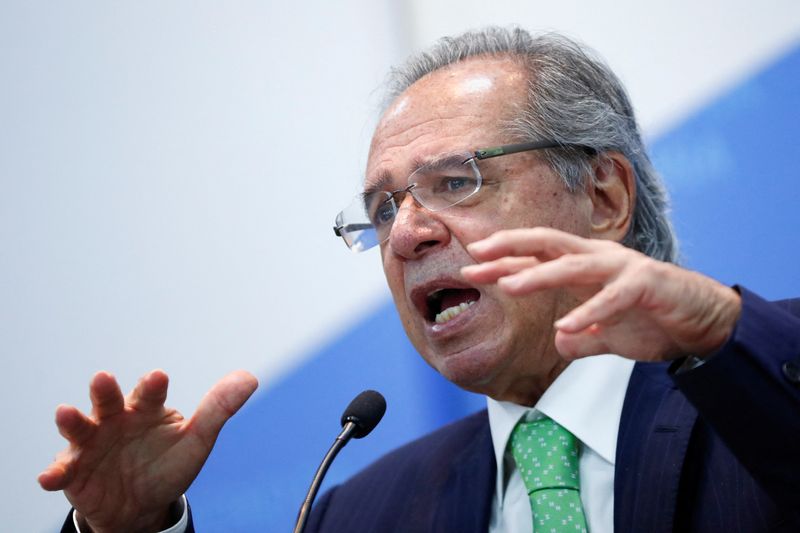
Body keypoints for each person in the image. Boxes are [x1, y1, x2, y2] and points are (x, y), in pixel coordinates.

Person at [40, 27, 800, 532]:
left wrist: (720, 333)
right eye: (381, 209)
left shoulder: (765, 390)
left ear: (603, 196)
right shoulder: (361, 514)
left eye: (455, 181)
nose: (406, 233)